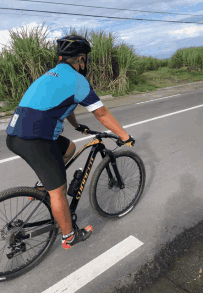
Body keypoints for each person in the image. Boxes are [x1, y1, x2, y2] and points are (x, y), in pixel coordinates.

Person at [5, 35, 135, 250]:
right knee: (58, 191)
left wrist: (76, 126)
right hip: (35, 141)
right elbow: (101, 114)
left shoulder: (50, 75)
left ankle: (42, 187)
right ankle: (69, 236)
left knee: (70, 148)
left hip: (15, 135)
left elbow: (66, 104)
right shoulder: (78, 80)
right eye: (86, 60)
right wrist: (124, 136)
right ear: (81, 60)